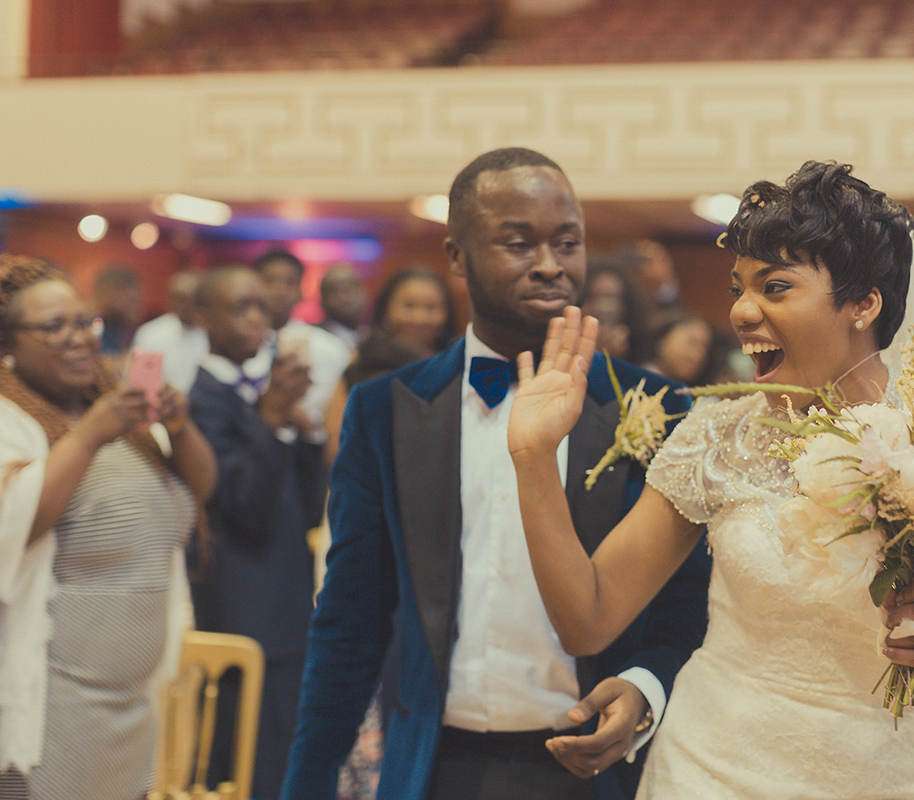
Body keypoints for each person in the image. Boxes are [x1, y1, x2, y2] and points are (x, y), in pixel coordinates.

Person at [507, 161, 914, 799]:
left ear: (863, 301)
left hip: (877, 779)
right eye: (739, 287)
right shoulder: (715, 434)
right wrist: (533, 457)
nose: (741, 310)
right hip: (705, 770)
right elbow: (587, 618)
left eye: (775, 287)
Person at [282, 147, 710, 800]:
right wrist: (306, 785)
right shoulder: (385, 410)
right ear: (456, 256)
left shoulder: (656, 407)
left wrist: (648, 688)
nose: (550, 265)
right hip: (431, 766)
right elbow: (349, 622)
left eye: (567, 242)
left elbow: (686, 610)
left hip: (599, 771)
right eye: (519, 243)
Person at [0, 254, 216, 800]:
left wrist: (179, 425)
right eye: (54, 327)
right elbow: (14, 522)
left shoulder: (117, 412)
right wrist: (88, 437)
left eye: (83, 322)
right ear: (8, 347)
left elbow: (201, 489)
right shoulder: (11, 420)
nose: (77, 338)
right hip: (53, 697)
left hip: (134, 697)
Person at [188, 266, 328, 800]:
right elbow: (246, 508)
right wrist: (270, 419)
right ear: (203, 318)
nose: (255, 321)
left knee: (283, 753)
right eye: (238, 308)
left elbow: (309, 510)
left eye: (261, 309)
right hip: (241, 605)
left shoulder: (259, 395)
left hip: (286, 596)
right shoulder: (200, 403)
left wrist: (303, 433)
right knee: (244, 762)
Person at [242, 249, 351, 439]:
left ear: (301, 290)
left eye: (289, 282)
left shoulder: (330, 348)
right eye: (269, 281)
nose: (279, 290)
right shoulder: (238, 344)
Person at [130, 269, 210, 394]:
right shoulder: (151, 333)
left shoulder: (212, 334)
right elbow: (140, 381)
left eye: (189, 299)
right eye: (178, 298)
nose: (183, 305)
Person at [372, 267, 457, 358]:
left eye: (431, 307)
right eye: (409, 306)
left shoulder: (458, 362)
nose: (420, 319)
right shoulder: (365, 363)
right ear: (386, 309)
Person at [89, 264, 144, 357]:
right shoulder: (93, 327)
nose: (141, 309)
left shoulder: (117, 328)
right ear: (111, 293)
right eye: (133, 301)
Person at [319, 263, 368, 351]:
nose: (343, 296)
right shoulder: (314, 340)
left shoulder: (374, 336)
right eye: (333, 290)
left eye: (350, 288)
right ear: (322, 300)